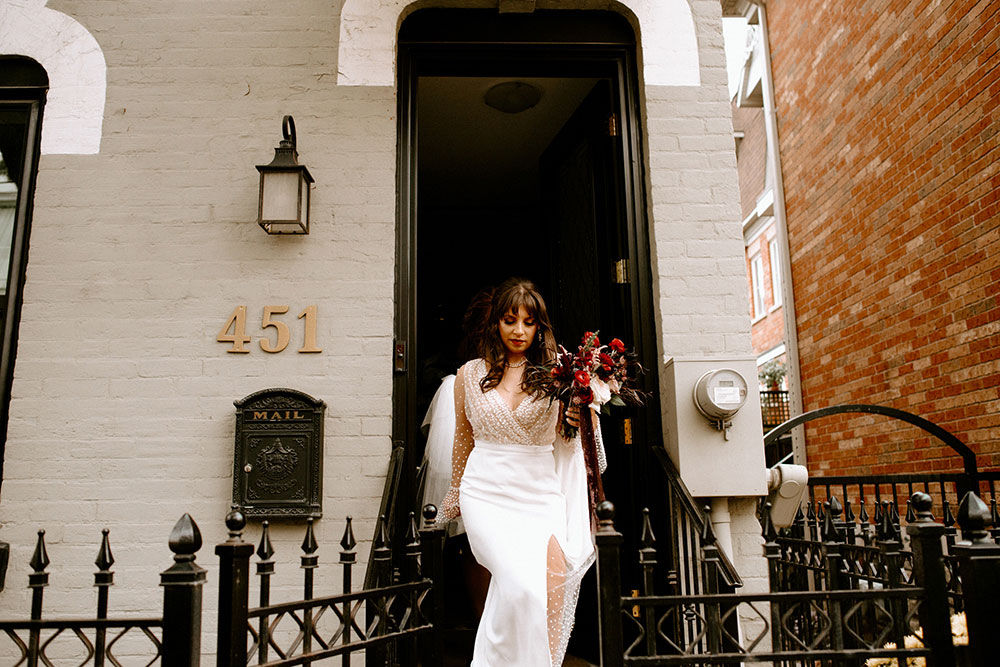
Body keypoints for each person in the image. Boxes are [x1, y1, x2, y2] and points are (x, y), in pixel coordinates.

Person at [440, 277, 604, 667]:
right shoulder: (468, 375)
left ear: (539, 327)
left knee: (546, 589)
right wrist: (455, 492)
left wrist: (580, 413)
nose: (518, 330)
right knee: (518, 587)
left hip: (539, 495)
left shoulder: (557, 376)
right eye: (510, 320)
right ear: (496, 322)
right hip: (486, 493)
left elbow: (574, 440)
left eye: (528, 322)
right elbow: (463, 438)